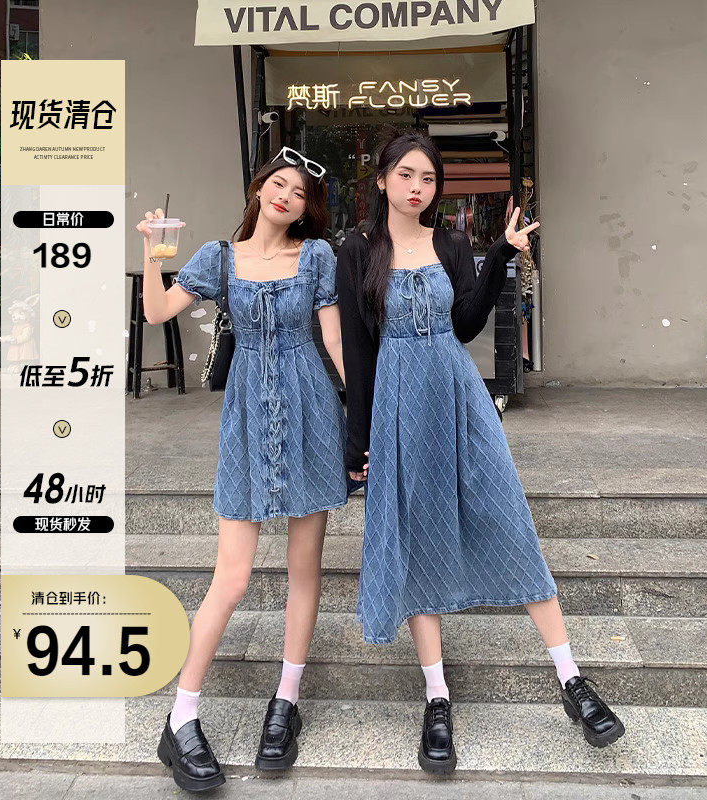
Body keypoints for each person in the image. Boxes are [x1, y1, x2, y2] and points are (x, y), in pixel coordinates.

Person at [337, 130, 624, 775]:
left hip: (458, 395)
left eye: (428, 179)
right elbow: (358, 350)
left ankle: (571, 680)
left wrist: (500, 254)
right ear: (381, 179)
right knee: (418, 536)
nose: (418, 188)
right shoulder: (356, 250)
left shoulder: (448, 243)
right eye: (406, 175)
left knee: (509, 518)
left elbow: (466, 322)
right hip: (399, 407)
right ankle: (436, 697)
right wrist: (358, 442)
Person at [137, 147, 348, 792]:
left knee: (304, 568)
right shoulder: (217, 257)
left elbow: (334, 340)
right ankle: (182, 716)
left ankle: (286, 701)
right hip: (248, 420)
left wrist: (365, 419)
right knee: (230, 578)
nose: (286, 196)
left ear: (307, 210)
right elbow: (156, 312)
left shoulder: (317, 257)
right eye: (278, 184)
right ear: (259, 190)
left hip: (311, 412)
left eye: (300, 193)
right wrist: (151, 251)